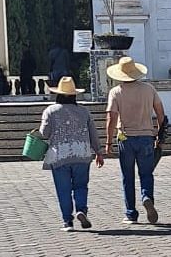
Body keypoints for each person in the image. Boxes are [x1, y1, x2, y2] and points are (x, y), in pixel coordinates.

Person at [105, 57, 165, 225]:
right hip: (146, 137)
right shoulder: (149, 89)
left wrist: (108, 142)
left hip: (125, 138)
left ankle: (131, 213)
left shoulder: (116, 92)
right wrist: (160, 133)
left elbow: (111, 117)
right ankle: (147, 197)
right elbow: (160, 113)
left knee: (128, 176)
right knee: (146, 173)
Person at [39, 76, 104, 232]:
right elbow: (93, 133)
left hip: (59, 155)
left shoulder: (50, 111)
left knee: (64, 189)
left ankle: (68, 221)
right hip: (82, 153)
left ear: (58, 94)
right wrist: (99, 152)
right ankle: (81, 209)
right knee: (81, 186)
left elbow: (45, 133)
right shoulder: (83, 111)